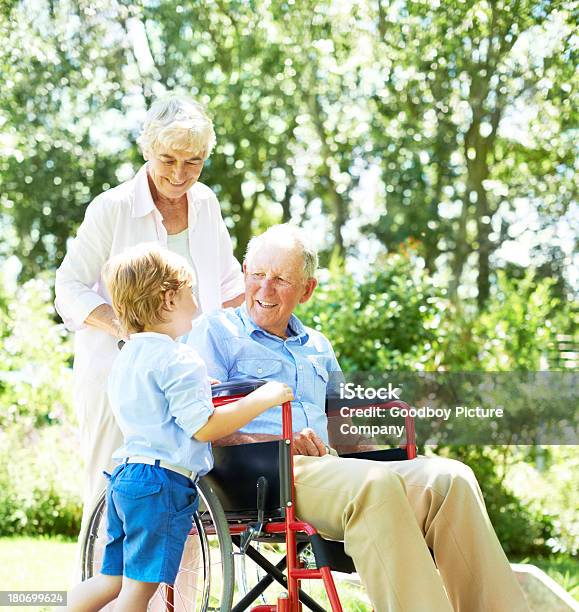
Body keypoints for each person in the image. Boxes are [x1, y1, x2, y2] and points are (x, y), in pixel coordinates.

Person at [186, 224, 530, 612]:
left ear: (307, 289)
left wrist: (396, 461)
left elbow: (342, 427)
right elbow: (203, 422)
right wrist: (274, 443)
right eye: (259, 275)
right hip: (260, 474)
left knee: (450, 479)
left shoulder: (318, 345)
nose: (265, 289)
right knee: (374, 486)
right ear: (245, 271)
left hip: (327, 469)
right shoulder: (214, 332)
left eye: (281, 279)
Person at [54, 95, 245, 558]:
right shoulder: (113, 207)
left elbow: (229, 285)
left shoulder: (206, 204)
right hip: (120, 376)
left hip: (186, 378)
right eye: (168, 160)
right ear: (146, 149)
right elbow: (69, 288)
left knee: (185, 493)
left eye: (194, 162)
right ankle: (99, 595)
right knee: (111, 490)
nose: (180, 174)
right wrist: (132, 332)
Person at [66, 244, 293, 612]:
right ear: (169, 299)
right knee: (138, 592)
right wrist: (264, 398)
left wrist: (202, 389)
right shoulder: (180, 357)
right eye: (191, 292)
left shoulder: (128, 356)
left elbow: (158, 405)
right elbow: (203, 428)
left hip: (125, 477)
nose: (198, 303)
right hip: (161, 485)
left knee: (110, 580)